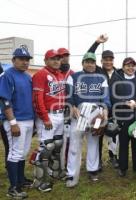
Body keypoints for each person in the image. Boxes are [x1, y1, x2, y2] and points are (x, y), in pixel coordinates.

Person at [65, 52, 111, 187]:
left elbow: (106, 98)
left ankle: (93, 170)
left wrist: (105, 115)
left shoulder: (101, 78)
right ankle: (71, 173)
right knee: (75, 144)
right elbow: (68, 95)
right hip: (79, 113)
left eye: (92, 62)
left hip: (96, 112)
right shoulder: (74, 76)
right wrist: (72, 106)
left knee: (94, 142)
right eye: (87, 62)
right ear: (82, 63)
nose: (90, 64)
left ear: (95, 63)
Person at [0, 48, 34, 198]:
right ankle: (13, 188)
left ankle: (20, 180)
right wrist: (12, 122)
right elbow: (4, 100)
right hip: (16, 121)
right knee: (15, 153)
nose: (25, 62)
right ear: (13, 60)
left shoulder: (27, 76)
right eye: (21, 59)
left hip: (28, 119)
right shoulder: (7, 75)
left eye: (27, 59)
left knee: (23, 152)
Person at [31, 49, 66, 192]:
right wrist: (44, 117)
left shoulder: (60, 75)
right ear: (45, 61)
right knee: (46, 148)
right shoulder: (41, 74)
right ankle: (38, 181)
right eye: (53, 58)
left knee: (57, 145)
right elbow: (37, 98)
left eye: (58, 59)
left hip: (60, 114)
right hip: (49, 115)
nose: (56, 61)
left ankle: (54, 172)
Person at [110, 57, 136, 177]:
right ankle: (123, 167)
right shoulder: (116, 78)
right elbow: (112, 96)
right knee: (123, 143)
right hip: (123, 116)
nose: (130, 68)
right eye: (128, 65)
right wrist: (124, 102)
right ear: (123, 67)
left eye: (132, 65)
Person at [87, 34, 119, 169]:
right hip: (100, 110)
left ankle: (114, 157)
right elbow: (89, 55)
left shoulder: (119, 73)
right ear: (101, 61)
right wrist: (96, 43)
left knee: (113, 135)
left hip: (114, 110)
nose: (108, 62)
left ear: (113, 60)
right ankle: (98, 160)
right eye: (105, 59)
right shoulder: (98, 71)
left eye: (110, 59)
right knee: (98, 134)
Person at [57, 47, 74, 174]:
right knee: (55, 140)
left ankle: (66, 164)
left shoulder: (72, 73)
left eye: (66, 55)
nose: (65, 57)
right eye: (62, 56)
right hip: (55, 109)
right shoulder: (54, 73)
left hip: (68, 110)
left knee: (67, 139)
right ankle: (56, 164)